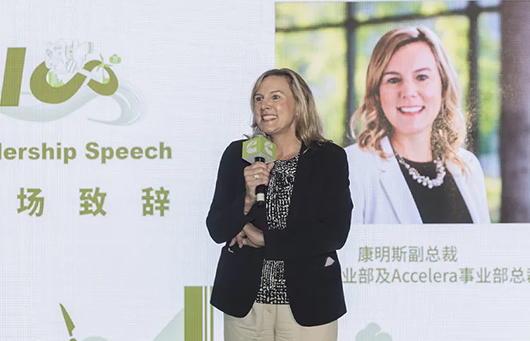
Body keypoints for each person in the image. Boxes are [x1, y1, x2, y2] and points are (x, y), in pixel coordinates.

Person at [206, 68, 353, 340]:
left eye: (275, 97)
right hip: (245, 303)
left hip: (309, 303)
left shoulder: (328, 158)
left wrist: (265, 239)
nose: (264, 106)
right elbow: (216, 228)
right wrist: (247, 200)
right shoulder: (238, 155)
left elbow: (334, 232)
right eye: (258, 98)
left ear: (299, 103)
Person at [346, 26, 490, 224]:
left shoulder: (468, 167)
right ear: (377, 92)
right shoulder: (351, 168)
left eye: (422, 77)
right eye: (393, 80)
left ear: (443, 85)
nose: (408, 92)